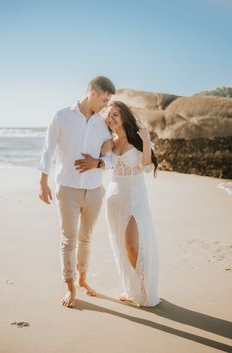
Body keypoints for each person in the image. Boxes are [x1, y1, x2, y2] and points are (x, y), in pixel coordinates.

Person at [38, 76, 116, 308]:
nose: (105, 105)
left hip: (94, 190)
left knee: (86, 238)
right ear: (92, 92)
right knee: (68, 240)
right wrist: (43, 181)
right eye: (104, 99)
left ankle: (83, 280)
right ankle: (70, 286)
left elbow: (111, 156)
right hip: (68, 188)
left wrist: (99, 163)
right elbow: (48, 150)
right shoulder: (62, 116)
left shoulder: (103, 125)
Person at [101, 101, 160, 307]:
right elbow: (104, 164)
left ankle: (143, 290)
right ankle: (131, 288)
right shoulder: (109, 141)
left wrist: (146, 140)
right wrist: (103, 148)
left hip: (135, 197)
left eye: (115, 114)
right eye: (108, 115)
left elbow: (145, 166)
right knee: (120, 245)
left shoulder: (138, 139)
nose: (111, 119)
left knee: (133, 245)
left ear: (124, 116)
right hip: (114, 197)